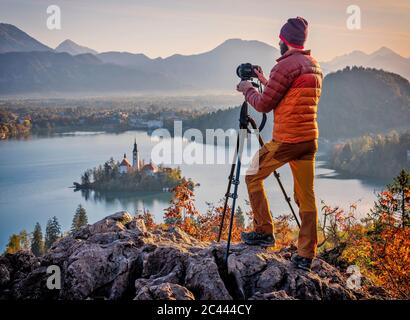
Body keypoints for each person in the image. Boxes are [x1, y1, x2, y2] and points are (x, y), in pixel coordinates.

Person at [236, 17, 323, 271]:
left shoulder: (285, 66)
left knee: (252, 175)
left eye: (279, 40)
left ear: (284, 41)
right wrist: (265, 80)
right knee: (306, 197)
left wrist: (246, 89)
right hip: (309, 140)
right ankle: (306, 254)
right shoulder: (314, 65)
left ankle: (264, 232)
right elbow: (290, 93)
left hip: (286, 140)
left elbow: (263, 105)